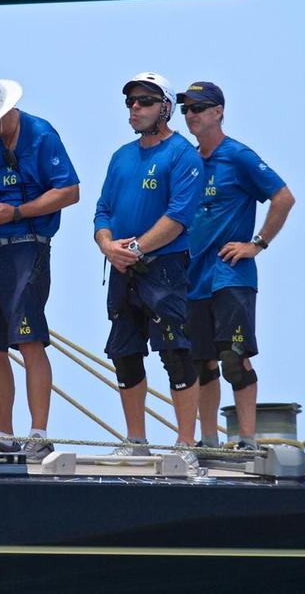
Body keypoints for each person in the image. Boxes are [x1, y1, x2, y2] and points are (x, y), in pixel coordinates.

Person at [0, 74, 79, 462]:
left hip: (29, 246)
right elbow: (1, 186)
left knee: (28, 339)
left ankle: (38, 433)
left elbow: (69, 191)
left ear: (4, 113)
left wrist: (19, 212)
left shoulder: (41, 134)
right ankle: (2, 434)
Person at [177, 81, 295, 454]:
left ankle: (246, 440)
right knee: (200, 363)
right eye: (186, 109)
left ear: (218, 112)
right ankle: (209, 441)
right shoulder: (188, 162)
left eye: (199, 108)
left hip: (230, 275)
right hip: (191, 278)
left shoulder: (238, 156)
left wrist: (256, 244)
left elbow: (283, 197)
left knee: (234, 358)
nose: (190, 115)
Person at [94, 72, 203, 467]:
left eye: (144, 101)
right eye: (130, 102)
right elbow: (102, 210)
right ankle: (135, 439)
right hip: (122, 267)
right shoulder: (121, 156)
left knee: (175, 351)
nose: (135, 108)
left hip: (164, 267)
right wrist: (108, 245)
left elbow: (178, 217)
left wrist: (136, 248)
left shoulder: (182, 155)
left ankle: (186, 443)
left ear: (165, 107)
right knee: (125, 352)